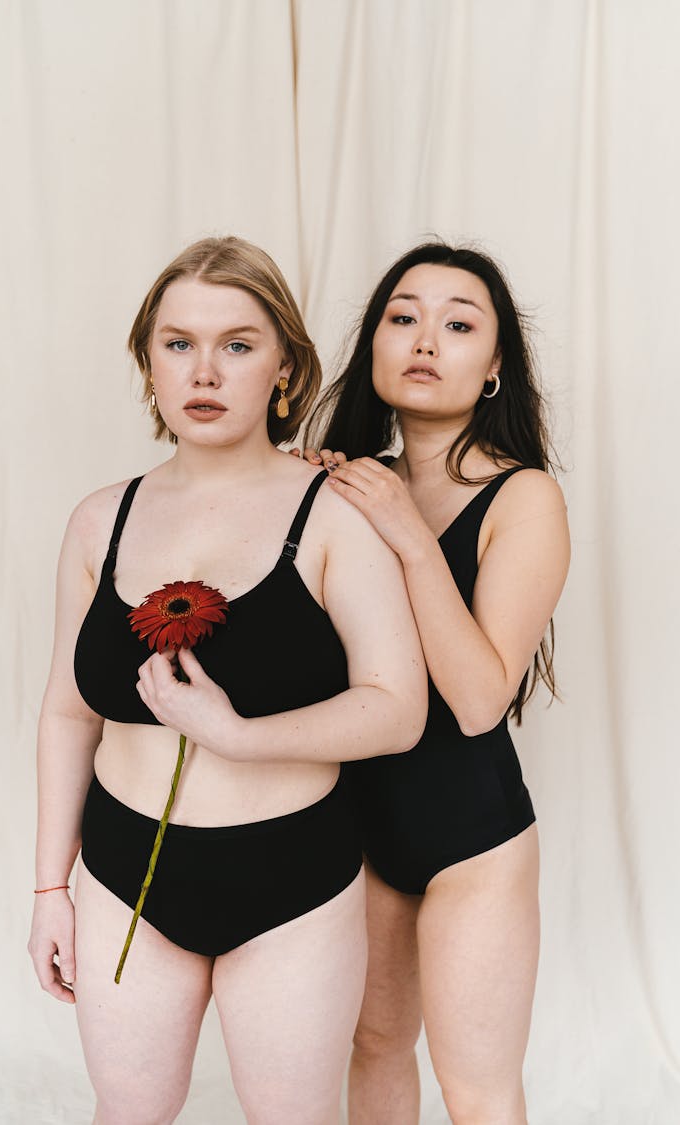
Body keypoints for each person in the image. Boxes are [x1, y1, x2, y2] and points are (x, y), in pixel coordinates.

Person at [27, 236, 427, 1125]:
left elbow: (398, 709)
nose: (205, 370)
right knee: (129, 1108)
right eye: (179, 343)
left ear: (283, 367)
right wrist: (51, 887)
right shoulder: (101, 520)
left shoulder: (334, 515)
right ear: (149, 362)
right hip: (124, 870)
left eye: (238, 345)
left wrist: (239, 735)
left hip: (294, 880)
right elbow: (66, 712)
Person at [299, 242, 570, 1125]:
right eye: (402, 317)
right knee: (374, 1046)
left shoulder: (524, 497)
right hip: (357, 824)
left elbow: (480, 697)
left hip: (472, 840)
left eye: (459, 324)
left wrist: (408, 534)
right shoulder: (339, 484)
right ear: (375, 346)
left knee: (477, 1089)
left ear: (493, 368)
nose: (425, 340)